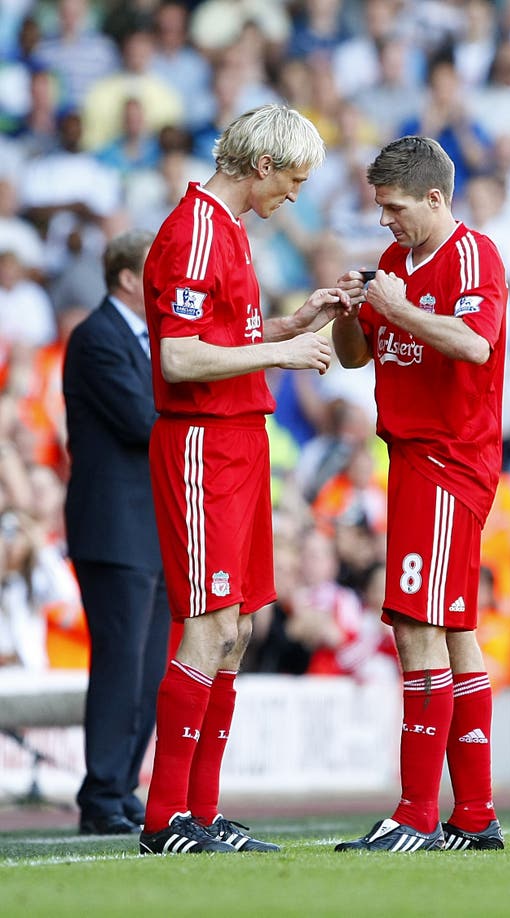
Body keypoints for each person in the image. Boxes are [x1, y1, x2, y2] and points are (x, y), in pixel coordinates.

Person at [140, 103, 351, 855]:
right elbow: (178, 358)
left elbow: (225, 334)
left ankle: (200, 812)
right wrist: (280, 358)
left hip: (237, 443)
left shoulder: (226, 231)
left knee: (238, 630)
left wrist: (290, 327)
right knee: (209, 626)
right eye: (291, 181)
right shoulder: (195, 230)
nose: (294, 196)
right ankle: (166, 818)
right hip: (201, 445)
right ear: (262, 167)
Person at [331, 135, 508, 852]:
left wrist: (397, 309)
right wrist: (351, 310)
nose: (385, 222)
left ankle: (414, 815)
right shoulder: (397, 266)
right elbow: (354, 354)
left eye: (395, 207)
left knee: (416, 628)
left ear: (436, 198)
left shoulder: (474, 256)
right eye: (379, 207)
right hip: (409, 458)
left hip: (447, 459)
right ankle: (474, 816)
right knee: (455, 631)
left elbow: (475, 344)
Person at [63, 230, 171, 835]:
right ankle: (101, 792)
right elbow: (141, 422)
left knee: (150, 667)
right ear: (130, 278)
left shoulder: (141, 339)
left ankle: (123, 785)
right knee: (121, 664)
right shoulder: (97, 337)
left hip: (149, 528)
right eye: (154, 273)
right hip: (114, 527)